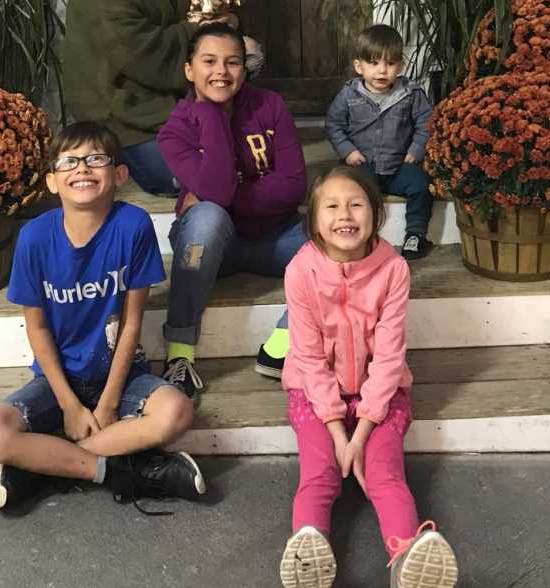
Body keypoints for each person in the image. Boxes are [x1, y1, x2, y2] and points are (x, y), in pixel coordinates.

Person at [0, 122, 205, 513]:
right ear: (51, 180)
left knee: (177, 411)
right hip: (58, 381)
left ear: (119, 174)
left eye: (95, 159)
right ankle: (118, 472)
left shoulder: (132, 226)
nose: (82, 168)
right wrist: (69, 405)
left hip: (120, 374)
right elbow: (38, 327)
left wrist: (110, 403)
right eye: (69, 161)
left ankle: (43, 467)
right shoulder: (34, 237)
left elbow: (131, 323)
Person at [279, 166, 458, 588]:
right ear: (315, 221)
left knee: (384, 475)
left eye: (356, 204)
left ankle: (405, 562)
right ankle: (309, 551)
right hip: (314, 393)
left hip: (382, 393)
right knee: (320, 474)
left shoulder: (394, 269)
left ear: (376, 214)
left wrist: (360, 435)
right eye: (332, 206)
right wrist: (339, 436)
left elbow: (390, 355)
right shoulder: (300, 271)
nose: (345, 215)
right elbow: (306, 356)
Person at [156, 22, 307, 395]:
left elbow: (293, 187)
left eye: (233, 62)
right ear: (190, 70)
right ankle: (179, 356)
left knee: (335, 235)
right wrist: (208, 114)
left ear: (245, 67)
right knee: (207, 217)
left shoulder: (269, 106)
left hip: (275, 237)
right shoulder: (175, 131)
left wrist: (224, 194)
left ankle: (278, 348)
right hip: (212, 248)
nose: (221, 72)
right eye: (209, 61)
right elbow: (218, 197)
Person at [64, 0, 262, 196]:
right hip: (126, 112)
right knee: (192, 176)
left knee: (248, 54)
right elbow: (145, 53)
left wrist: (224, 21)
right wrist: (205, 29)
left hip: (176, 96)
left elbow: (204, 12)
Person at [326, 24, 436, 260]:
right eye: (374, 63)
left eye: (390, 64)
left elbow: (427, 122)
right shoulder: (348, 94)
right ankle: (362, 237)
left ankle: (415, 235)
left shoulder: (410, 94)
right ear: (359, 66)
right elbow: (334, 125)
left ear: (401, 66)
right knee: (353, 191)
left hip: (399, 165)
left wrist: (416, 150)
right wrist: (348, 151)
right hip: (362, 163)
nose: (382, 71)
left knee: (421, 185)